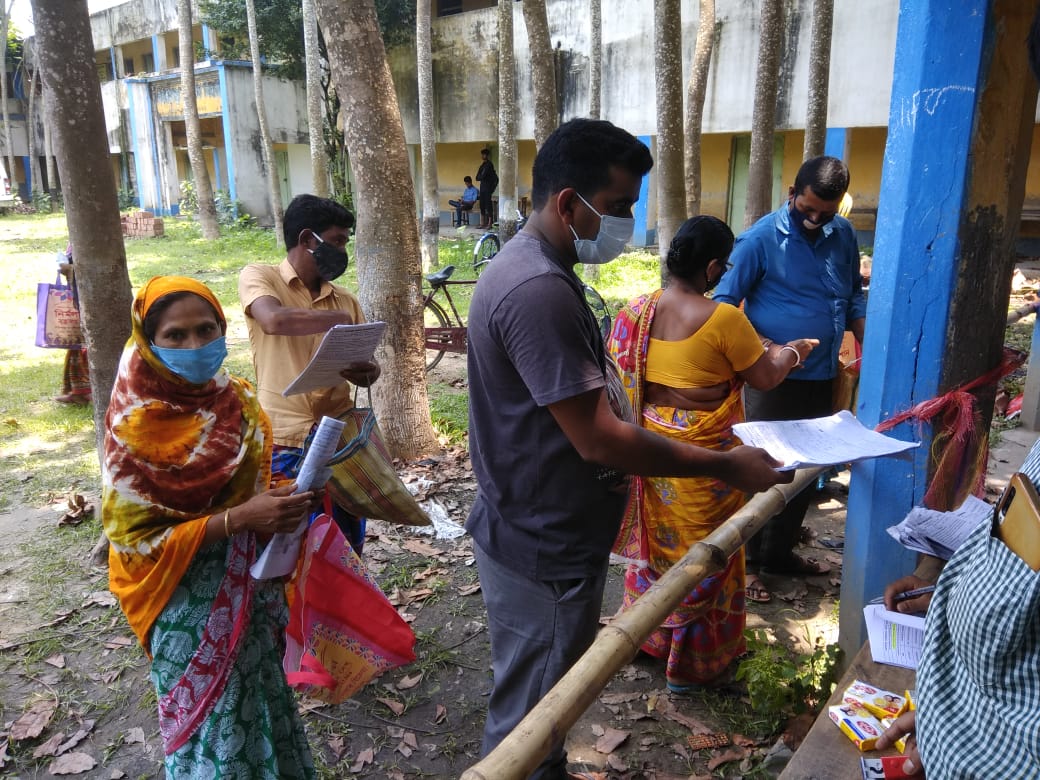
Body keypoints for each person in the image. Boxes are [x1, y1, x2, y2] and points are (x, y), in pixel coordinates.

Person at [466, 118, 792, 779]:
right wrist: (725, 464)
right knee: (530, 715)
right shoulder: (537, 290)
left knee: (547, 701)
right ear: (568, 203)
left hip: (541, 526)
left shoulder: (538, 270)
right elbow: (599, 438)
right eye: (617, 207)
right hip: (544, 542)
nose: (625, 223)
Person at [102, 276, 319, 777]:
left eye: (206, 329)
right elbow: (134, 540)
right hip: (179, 592)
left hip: (251, 578)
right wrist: (239, 518)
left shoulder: (237, 400)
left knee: (262, 696)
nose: (195, 345)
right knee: (211, 723)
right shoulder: (134, 423)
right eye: (175, 335)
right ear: (148, 341)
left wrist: (282, 498)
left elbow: (253, 488)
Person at [606, 215, 818, 691]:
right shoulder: (725, 319)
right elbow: (765, 377)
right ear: (713, 267)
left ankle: (650, 637)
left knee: (662, 546)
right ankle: (692, 667)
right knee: (712, 551)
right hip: (708, 460)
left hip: (654, 451)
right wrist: (793, 352)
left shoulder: (635, 311)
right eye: (724, 267)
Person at [713, 155, 866, 603]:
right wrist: (771, 349)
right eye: (807, 209)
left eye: (826, 212)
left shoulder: (844, 235)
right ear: (792, 193)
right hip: (772, 379)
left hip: (823, 375)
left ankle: (778, 556)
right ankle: (746, 564)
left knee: (804, 470)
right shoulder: (760, 240)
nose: (815, 219)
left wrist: (870, 348)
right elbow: (723, 306)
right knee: (764, 468)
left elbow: (854, 298)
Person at [239, 194, 380, 551]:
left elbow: (368, 365)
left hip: (337, 438)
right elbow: (273, 320)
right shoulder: (261, 278)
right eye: (337, 241)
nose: (342, 251)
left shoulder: (345, 299)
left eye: (345, 242)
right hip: (283, 437)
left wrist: (367, 371)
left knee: (342, 542)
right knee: (286, 545)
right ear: (307, 240)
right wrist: (337, 320)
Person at [55, 243, 91, 405]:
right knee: (77, 344)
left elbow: (90, 269)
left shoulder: (93, 238)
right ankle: (78, 391)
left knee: (85, 345)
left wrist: (68, 269)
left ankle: (87, 392)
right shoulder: (77, 238)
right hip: (80, 298)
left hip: (92, 300)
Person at [475, 147, 498, 229]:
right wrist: (481, 176)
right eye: (482, 154)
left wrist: (482, 176)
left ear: (487, 155)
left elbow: (483, 176)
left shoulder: (489, 165)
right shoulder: (482, 165)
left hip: (488, 188)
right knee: (482, 205)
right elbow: (477, 177)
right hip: (482, 187)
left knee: (488, 205)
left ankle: (489, 223)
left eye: (484, 154)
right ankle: (482, 223)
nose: (482, 156)